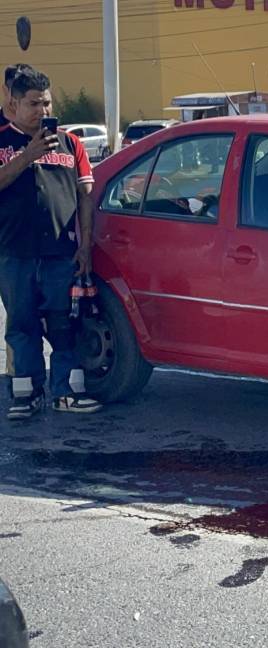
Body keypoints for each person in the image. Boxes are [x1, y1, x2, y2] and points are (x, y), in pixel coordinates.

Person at [0, 65, 102, 419]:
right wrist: (27, 155)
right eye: (33, 103)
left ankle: (67, 392)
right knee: (22, 324)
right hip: (15, 253)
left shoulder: (71, 143)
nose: (42, 110)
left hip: (62, 253)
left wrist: (85, 245)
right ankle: (25, 395)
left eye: (46, 102)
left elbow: (85, 196)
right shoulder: (2, 140)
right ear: (13, 104)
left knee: (65, 324)